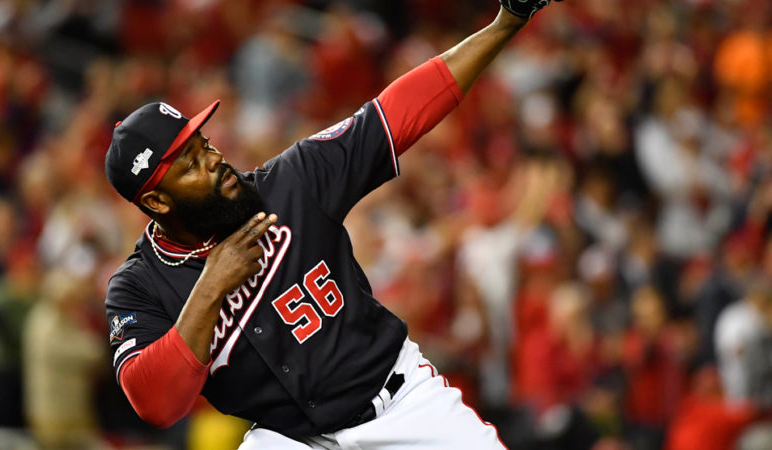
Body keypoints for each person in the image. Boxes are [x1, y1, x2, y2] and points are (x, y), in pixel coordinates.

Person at [103, 1, 562, 448]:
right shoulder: (139, 287)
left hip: (402, 404)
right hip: (291, 439)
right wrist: (211, 287)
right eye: (190, 164)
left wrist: (507, 21)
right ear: (158, 201)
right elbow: (155, 404)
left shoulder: (290, 184)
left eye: (203, 144)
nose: (214, 160)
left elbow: (395, 115)